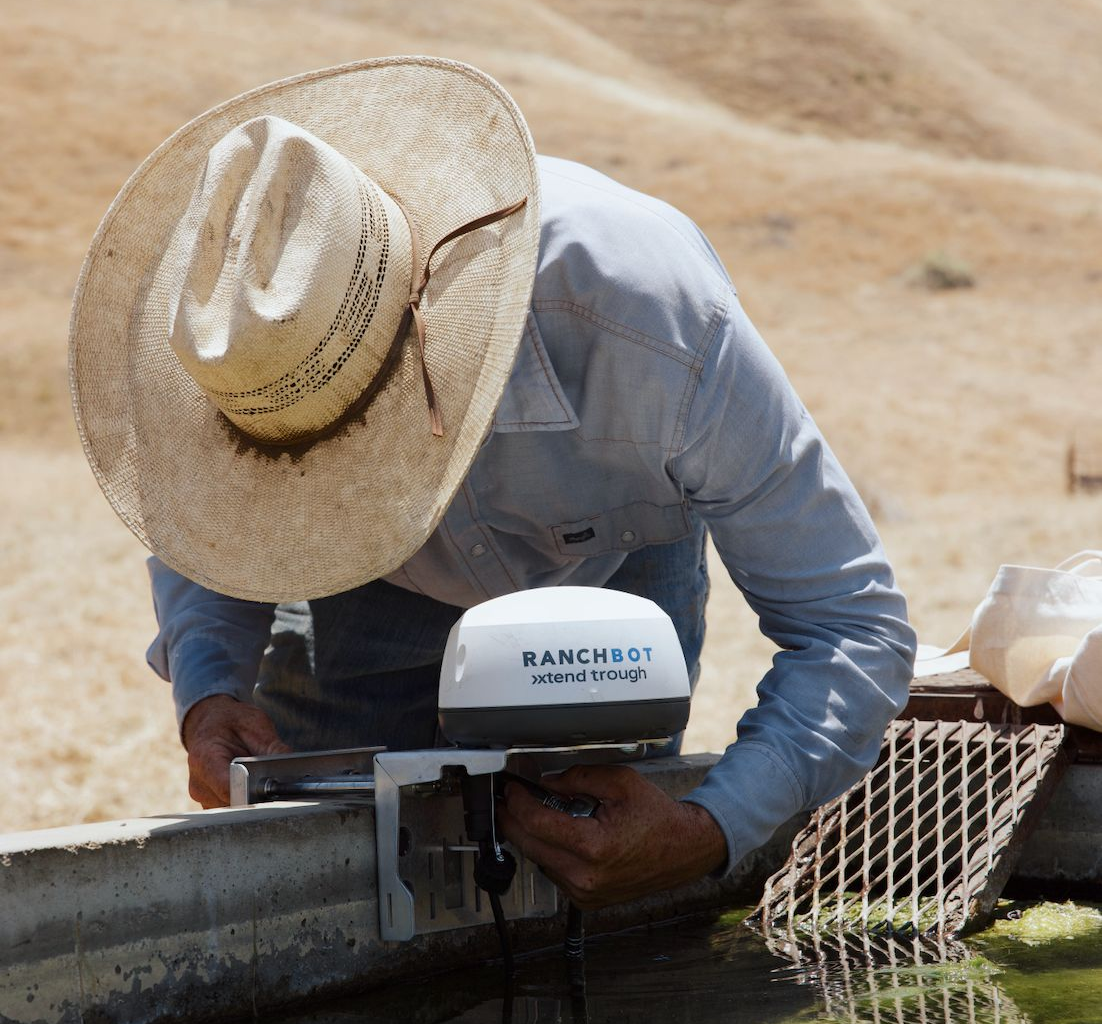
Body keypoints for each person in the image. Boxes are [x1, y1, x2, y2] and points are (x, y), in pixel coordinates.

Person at [70, 57, 916, 910]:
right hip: (351, 601)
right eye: (299, 459)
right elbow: (201, 516)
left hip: (609, 587)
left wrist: (710, 829)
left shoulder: (650, 323)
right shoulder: (234, 327)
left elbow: (852, 627)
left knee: (596, 871)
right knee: (338, 888)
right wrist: (211, 688)